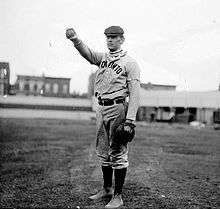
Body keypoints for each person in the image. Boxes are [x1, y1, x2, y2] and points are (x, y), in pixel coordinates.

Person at [66, 26, 140, 208]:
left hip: (117, 108)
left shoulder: (130, 63)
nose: (110, 40)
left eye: (114, 37)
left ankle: (118, 196)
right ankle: (107, 189)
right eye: (108, 37)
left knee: (118, 151)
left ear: (122, 39)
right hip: (101, 107)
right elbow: (89, 54)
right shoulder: (104, 59)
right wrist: (75, 39)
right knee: (103, 150)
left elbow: (135, 93)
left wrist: (130, 120)